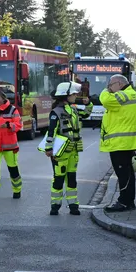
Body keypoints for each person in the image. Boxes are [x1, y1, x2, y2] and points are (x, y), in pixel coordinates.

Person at [100, 74, 136, 212]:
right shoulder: (133, 95)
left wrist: (105, 90)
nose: (109, 89)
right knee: (128, 173)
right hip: (128, 141)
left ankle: (124, 202)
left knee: (123, 174)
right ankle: (129, 201)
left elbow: (105, 100)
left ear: (119, 84)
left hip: (120, 143)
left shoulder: (123, 95)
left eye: (111, 85)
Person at [42, 82, 85, 216]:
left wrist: (88, 103)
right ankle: (55, 205)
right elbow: (51, 131)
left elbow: (86, 114)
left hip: (73, 151)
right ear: (65, 95)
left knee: (72, 179)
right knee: (58, 179)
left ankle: (73, 205)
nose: (75, 95)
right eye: (73, 94)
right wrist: (48, 149)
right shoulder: (56, 112)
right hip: (60, 152)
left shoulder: (73, 109)